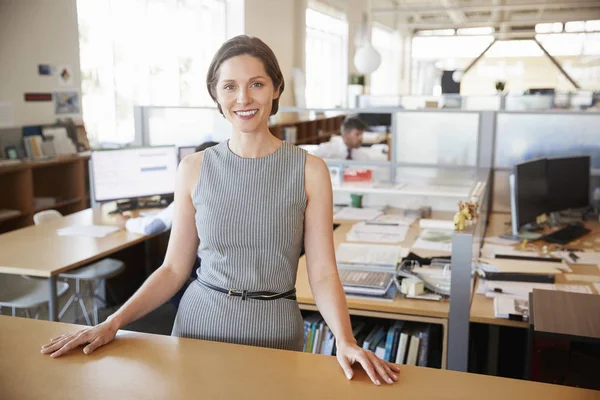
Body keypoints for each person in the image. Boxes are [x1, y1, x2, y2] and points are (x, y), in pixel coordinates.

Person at [41, 35, 399, 386]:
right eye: (229, 86)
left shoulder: (310, 170)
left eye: (256, 84)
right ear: (216, 94)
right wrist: (113, 321)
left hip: (275, 333)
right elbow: (173, 269)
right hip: (199, 328)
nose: (243, 98)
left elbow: (322, 273)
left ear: (276, 89)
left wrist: (345, 339)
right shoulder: (194, 168)